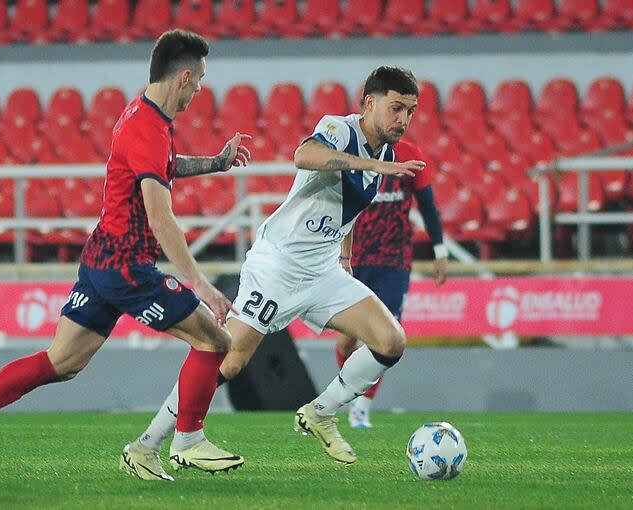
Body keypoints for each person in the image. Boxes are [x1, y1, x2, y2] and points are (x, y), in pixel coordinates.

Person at [0, 29, 252, 481]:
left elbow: (165, 165)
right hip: (128, 266)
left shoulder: (140, 113)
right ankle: (187, 441)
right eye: (198, 81)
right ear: (182, 77)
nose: (199, 91)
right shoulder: (148, 127)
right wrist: (200, 283)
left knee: (62, 362)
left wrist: (215, 163)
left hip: (100, 257)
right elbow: (161, 218)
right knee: (215, 340)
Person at [136, 65, 426, 466]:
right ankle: (147, 444)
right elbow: (304, 155)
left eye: (410, 112)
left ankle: (321, 413)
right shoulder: (341, 130)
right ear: (370, 102)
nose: (403, 120)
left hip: (323, 270)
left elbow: (348, 209)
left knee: (391, 341)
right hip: (279, 265)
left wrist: (345, 257)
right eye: (396, 108)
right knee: (229, 361)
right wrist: (372, 166)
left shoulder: (387, 154)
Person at [337, 136, 448, 429]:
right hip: (354, 260)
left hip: (393, 262)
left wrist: (440, 250)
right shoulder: (352, 153)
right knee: (345, 341)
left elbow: (427, 204)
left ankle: (361, 408)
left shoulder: (411, 154)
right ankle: (349, 393)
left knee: (384, 339)